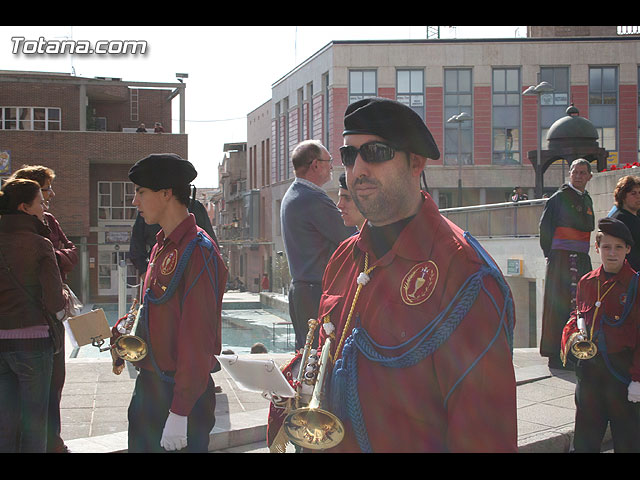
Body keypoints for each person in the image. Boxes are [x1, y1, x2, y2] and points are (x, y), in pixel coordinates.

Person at [269, 97, 517, 453]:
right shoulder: (343, 258)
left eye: (376, 152)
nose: (358, 169)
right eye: (350, 155)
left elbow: (484, 437)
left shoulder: (465, 273)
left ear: (416, 162)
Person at [124, 153, 227, 453]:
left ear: (166, 193)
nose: (135, 202)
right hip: (150, 389)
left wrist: (180, 411)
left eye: (140, 192)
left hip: (178, 396)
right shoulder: (160, 245)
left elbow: (198, 337)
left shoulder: (198, 251)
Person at [10, 164, 78, 453]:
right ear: (26, 204)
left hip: (26, 322)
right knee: (42, 391)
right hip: (40, 322)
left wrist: (55, 257)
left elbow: (71, 252)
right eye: (45, 191)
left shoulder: (48, 222)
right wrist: (51, 258)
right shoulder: (36, 238)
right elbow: (63, 257)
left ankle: (51, 440)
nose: (50, 196)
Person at [561, 217, 640, 452]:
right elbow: (577, 315)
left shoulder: (635, 285)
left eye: (618, 247)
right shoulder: (587, 282)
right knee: (585, 441)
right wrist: (573, 334)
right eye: (606, 247)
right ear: (597, 248)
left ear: (627, 249)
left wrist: (638, 378)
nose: (612, 253)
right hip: (590, 374)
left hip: (622, 375)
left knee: (628, 442)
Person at [280, 140, 356, 351]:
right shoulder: (311, 198)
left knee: (306, 358)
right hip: (315, 293)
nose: (332, 166)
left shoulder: (293, 194)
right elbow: (350, 236)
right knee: (319, 360)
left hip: (302, 290)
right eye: (328, 161)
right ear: (315, 165)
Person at [539, 158, 595, 369]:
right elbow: (545, 229)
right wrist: (551, 256)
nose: (579, 176)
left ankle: (575, 352)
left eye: (583, 173)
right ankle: (556, 354)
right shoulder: (558, 198)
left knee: (580, 306)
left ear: (589, 176)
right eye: (575, 172)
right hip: (561, 260)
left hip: (581, 259)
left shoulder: (587, 199)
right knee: (559, 306)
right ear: (569, 174)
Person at [129, 193, 217, 280]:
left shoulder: (195, 207)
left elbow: (212, 248)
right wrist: (146, 275)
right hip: (157, 278)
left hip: (191, 277)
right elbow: (136, 247)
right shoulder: (148, 212)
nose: (135, 201)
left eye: (141, 192)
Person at [610, 175, 640, 271]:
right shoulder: (619, 219)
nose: (638, 196)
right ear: (623, 196)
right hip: (629, 273)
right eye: (633, 193)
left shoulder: (636, 216)